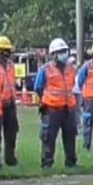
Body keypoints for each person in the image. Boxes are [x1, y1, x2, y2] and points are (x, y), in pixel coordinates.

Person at [35, 38, 79, 170]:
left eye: (65, 51)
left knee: (70, 136)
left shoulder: (70, 69)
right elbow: (38, 87)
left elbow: (71, 86)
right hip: (51, 109)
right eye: (60, 52)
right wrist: (46, 100)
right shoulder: (45, 70)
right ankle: (47, 163)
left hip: (68, 108)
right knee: (48, 137)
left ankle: (71, 163)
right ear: (53, 54)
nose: (64, 54)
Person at [0, 36, 21, 166]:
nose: (8, 53)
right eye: (5, 50)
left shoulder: (11, 65)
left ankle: (10, 158)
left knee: (11, 132)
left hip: (10, 103)